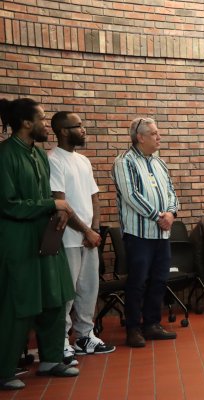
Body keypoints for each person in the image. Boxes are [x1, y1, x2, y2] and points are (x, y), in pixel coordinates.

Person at [0, 98, 79, 391]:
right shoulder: (5, 155)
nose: (47, 125)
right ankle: (4, 369)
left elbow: (46, 195)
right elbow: (8, 205)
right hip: (17, 243)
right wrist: (52, 203)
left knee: (54, 298)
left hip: (45, 239)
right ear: (26, 123)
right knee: (19, 304)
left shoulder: (39, 155)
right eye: (43, 119)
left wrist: (57, 209)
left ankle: (51, 360)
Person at [49, 112, 116, 363]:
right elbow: (60, 201)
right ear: (64, 131)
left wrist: (94, 229)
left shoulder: (83, 161)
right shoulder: (54, 159)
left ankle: (85, 336)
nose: (83, 129)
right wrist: (84, 230)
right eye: (78, 126)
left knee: (89, 288)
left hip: (88, 238)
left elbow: (93, 197)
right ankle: (62, 341)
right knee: (67, 292)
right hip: (66, 238)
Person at [112, 117, 180, 347]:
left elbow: (171, 191)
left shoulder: (159, 162)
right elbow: (131, 195)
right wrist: (158, 217)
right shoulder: (125, 161)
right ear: (140, 137)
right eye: (154, 133)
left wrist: (171, 213)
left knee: (159, 280)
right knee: (137, 282)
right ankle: (133, 328)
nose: (159, 137)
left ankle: (151, 324)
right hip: (138, 234)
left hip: (162, 234)